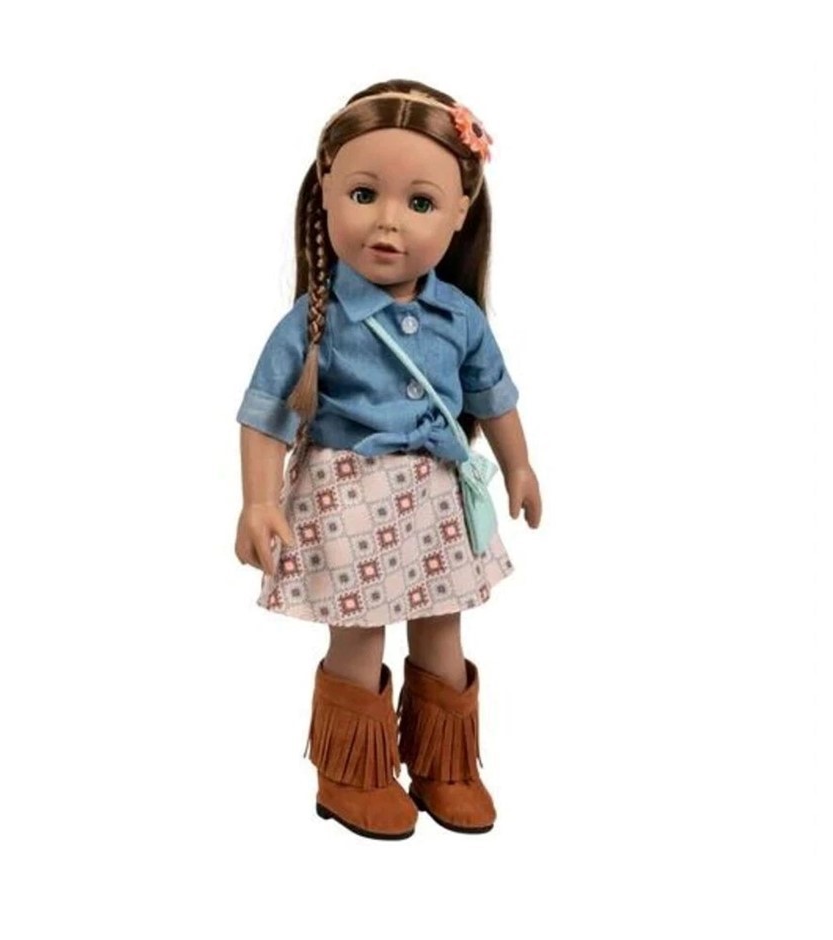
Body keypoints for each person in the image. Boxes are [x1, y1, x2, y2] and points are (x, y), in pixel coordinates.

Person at [234, 79, 542, 840]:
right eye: (364, 194)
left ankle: (445, 762)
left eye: (421, 203)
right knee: (359, 632)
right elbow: (264, 414)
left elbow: (493, 395)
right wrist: (258, 501)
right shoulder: (315, 321)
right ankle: (352, 771)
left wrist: (519, 467)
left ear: (461, 213)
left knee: (442, 626)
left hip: (436, 493)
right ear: (325, 192)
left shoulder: (458, 317)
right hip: (347, 497)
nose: (388, 222)